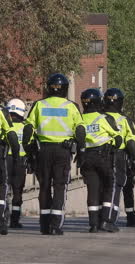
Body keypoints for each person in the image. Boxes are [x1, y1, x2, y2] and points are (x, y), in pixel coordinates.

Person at [23, 73, 85, 235]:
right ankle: (55, 225)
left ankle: (44, 225)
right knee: (59, 186)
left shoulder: (39, 105)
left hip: (42, 151)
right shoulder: (71, 106)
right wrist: (81, 150)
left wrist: (29, 152)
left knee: (44, 186)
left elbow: (28, 129)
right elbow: (80, 130)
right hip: (62, 152)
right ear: (65, 89)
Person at [80, 88, 122, 233]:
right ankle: (105, 221)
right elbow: (118, 138)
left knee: (92, 190)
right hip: (103, 157)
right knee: (110, 186)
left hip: (86, 159)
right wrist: (114, 149)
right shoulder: (104, 118)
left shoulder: (80, 119)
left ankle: (93, 224)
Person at [103, 88, 135, 231]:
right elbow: (133, 142)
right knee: (116, 187)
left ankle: (98, 218)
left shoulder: (99, 117)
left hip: (99, 155)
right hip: (118, 157)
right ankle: (110, 219)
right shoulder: (125, 121)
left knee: (100, 188)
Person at [5, 99, 28, 229]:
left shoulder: (4, 126)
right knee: (17, 192)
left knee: (4, 189)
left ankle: (3, 217)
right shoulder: (25, 127)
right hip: (20, 162)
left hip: (5, 160)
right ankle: (15, 220)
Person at [0, 103, 20, 235]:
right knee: (2, 185)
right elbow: (11, 135)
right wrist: (16, 154)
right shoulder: (2, 112)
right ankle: (1, 220)